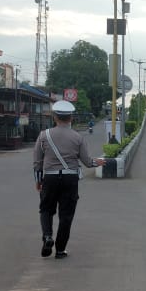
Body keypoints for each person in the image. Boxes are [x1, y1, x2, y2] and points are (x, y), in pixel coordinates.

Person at [32, 100, 106, 259]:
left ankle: (47, 237)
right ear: (71, 118)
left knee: (46, 209)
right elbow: (87, 161)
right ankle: (60, 250)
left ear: (54, 117)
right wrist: (97, 162)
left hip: (50, 178)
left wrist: (39, 180)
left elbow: (37, 162)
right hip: (70, 179)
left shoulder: (44, 135)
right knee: (66, 215)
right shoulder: (78, 137)